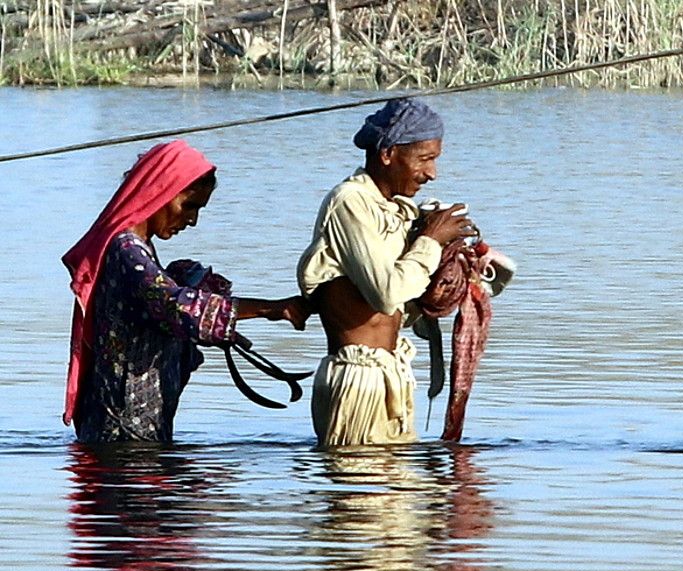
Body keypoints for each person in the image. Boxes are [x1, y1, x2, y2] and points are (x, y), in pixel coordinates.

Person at [62, 140, 310, 444]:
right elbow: (173, 306)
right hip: (121, 434)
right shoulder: (125, 250)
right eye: (189, 205)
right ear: (160, 192)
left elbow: (163, 309)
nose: (192, 220)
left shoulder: (139, 250)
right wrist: (269, 309)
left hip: (135, 431)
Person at [297, 97, 473, 447]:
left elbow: (400, 307)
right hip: (357, 379)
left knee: (397, 500)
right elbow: (386, 293)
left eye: (434, 160)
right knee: (361, 497)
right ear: (388, 153)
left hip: (393, 373)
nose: (431, 173)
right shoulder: (350, 202)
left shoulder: (397, 211)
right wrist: (431, 241)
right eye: (424, 159)